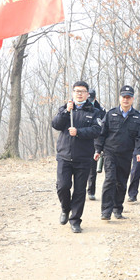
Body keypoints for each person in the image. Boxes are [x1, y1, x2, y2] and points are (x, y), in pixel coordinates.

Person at [51, 81, 103, 233]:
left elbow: (96, 130)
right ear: (72, 93)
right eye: (76, 91)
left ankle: (75, 220)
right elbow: (56, 124)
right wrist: (66, 112)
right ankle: (65, 209)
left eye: (82, 91)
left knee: (80, 190)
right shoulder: (65, 108)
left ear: (87, 94)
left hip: (83, 157)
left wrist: (79, 132)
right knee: (63, 186)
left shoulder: (95, 111)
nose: (79, 93)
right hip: (64, 156)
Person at [94, 85, 140, 220]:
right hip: (110, 152)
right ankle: (106, 211)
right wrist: (98, 149)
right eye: (124, 97)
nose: (126, 100)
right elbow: (102, 133)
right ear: (120, 98)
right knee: (110, 180)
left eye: (129, 97)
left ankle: (117, 208)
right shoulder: (111, 114)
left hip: (126, 154)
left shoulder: (138, 117)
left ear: (133, 99)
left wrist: (139, 151)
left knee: (121, 182)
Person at [86, 89, 106, 201]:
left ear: (95, 98)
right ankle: (79, 191)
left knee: (93, 168)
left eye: (91, 99)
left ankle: (91, 191)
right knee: (81, 169)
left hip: (95, 142)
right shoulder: (81, 108)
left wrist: (101, 146)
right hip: (83, 141)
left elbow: (103, 128)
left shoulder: (101, 111)